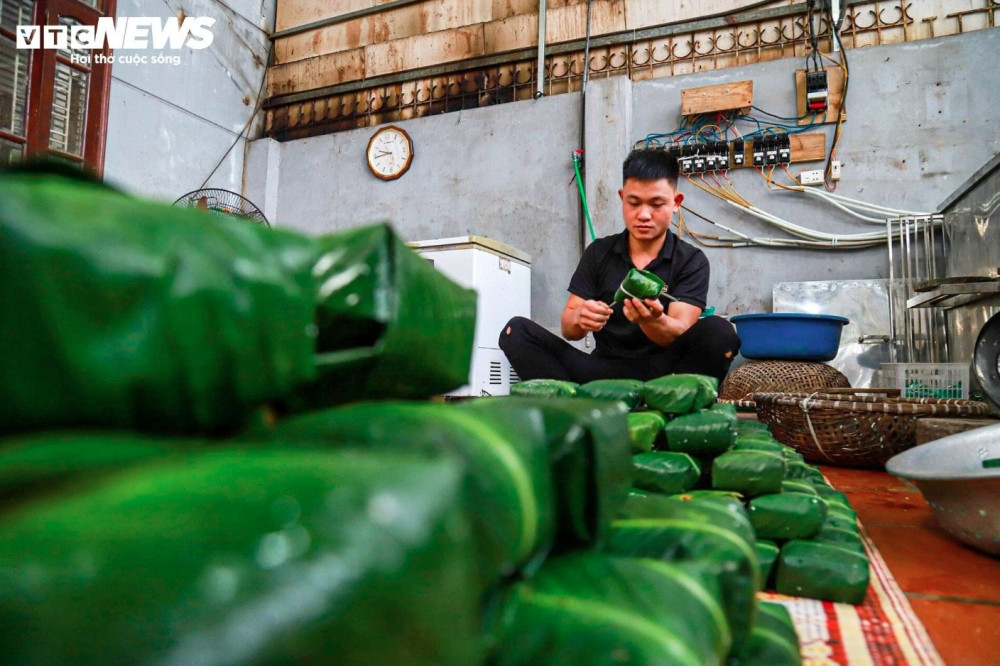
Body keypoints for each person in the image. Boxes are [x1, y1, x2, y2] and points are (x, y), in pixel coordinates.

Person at [499, 147, 740, 385]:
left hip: (666, 374)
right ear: (622, 198)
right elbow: (569, 329)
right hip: (603, 371)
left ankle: (672, 407)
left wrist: (651, 320)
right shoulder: (598, 253)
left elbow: (677, 332)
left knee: (719, 332)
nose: (644, 215)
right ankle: (577, 410)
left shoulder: (691, 260)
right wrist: (581, 318)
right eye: (634, 203)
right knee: (516, 332)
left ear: (676, 203)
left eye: (656, 204)